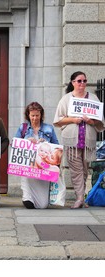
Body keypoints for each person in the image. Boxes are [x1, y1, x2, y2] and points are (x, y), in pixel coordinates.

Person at [53, 71, 105, 209]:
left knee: (84, 169)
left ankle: (81, 197)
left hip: (88, 141)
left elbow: (100, 122)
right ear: (73, 82)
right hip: (72, 140)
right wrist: (73, 119)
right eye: (79, 81)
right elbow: (59, 119)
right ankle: (80, 198)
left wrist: (90, 121)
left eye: (84, 81)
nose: (82, 83)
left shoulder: (93, 98)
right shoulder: (66, 99)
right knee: (76, 170)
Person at [15, 102, 59, 209]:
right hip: (28, 165)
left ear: (41, 115)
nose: (35, 118)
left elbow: (56, 146)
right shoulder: (23, 128)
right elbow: (15, 145)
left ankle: (38, 198)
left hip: (43, 167)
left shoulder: (49, 128)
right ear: (28, 115)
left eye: (37, 115)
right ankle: (27, 197)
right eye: (32, 115)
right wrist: (26, 141)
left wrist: (46, 144)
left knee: (42, 205)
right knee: (29, 200)